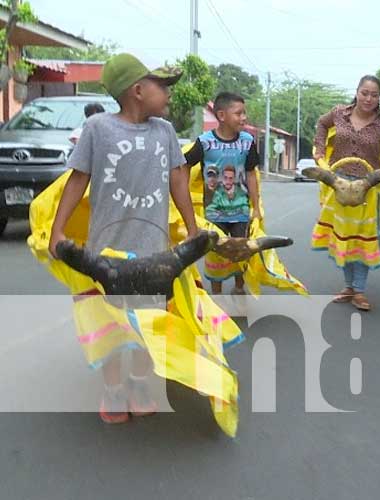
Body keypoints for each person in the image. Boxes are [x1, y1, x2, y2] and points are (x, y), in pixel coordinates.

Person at [48, 53, 198, 423]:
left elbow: (178, 178)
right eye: (161, 86)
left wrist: (193, 229)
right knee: (113, 324)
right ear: (137, 90)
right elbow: (78, 178)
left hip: (153, 250)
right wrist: (58, 229)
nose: (167, 94)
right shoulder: (98, 128)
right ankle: (114, 390)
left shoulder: (164, 132)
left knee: (150, 322)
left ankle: (139, 382)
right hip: (107, 250)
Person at [312, 74, 380, 311]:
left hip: (368, 187)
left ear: (379, 97)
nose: (368, 98)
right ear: (357, 91)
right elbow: (322, 125)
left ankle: (360, 290)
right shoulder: (338, 113)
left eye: (374, 95)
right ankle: (348, 287)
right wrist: (320, 151)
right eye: (365, 93)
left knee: (363, 238)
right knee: (344, 235)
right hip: (338, 183)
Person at [185, 92, 260, 295]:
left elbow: (252, 174)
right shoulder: (204, 142)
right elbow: (184, 165)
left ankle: (238, 287)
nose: (244, 117)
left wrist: (256, 208)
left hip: (241, 211)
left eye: (244, 113)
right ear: (221, 115)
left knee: (241, 251)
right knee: (215, 255)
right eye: (239, 113)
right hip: (213, 214)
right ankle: (216, 295)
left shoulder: (247, 142)